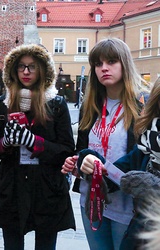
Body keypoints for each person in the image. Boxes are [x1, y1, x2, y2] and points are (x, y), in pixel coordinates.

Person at [61, 37, 149, 250]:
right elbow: (83, 148)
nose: (104, 68)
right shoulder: (90, 105)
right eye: (98, 64)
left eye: (111, 62)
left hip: (127, 203)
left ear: (124, 64)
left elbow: (146, 156)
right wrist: (76, 163)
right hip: (92, 199)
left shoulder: (143, 105)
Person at [0, 44, 76, 250]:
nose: (26, 72)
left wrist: (33, 142)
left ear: (43, 70)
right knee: (12, 246)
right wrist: (5, 142)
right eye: (21, 67)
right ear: (13, 70)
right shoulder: (4, 103)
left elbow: (66, 150)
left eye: (32, 67)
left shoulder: (56, 104)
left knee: (45, 246)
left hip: (46, 187)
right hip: (12, 186)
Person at [75, 78, 160, 250]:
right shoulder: (147, 142)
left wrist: (155, 189)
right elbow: (114, 174)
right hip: (142, 233)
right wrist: (88, 159)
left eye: (111, 62)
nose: (104, 69)